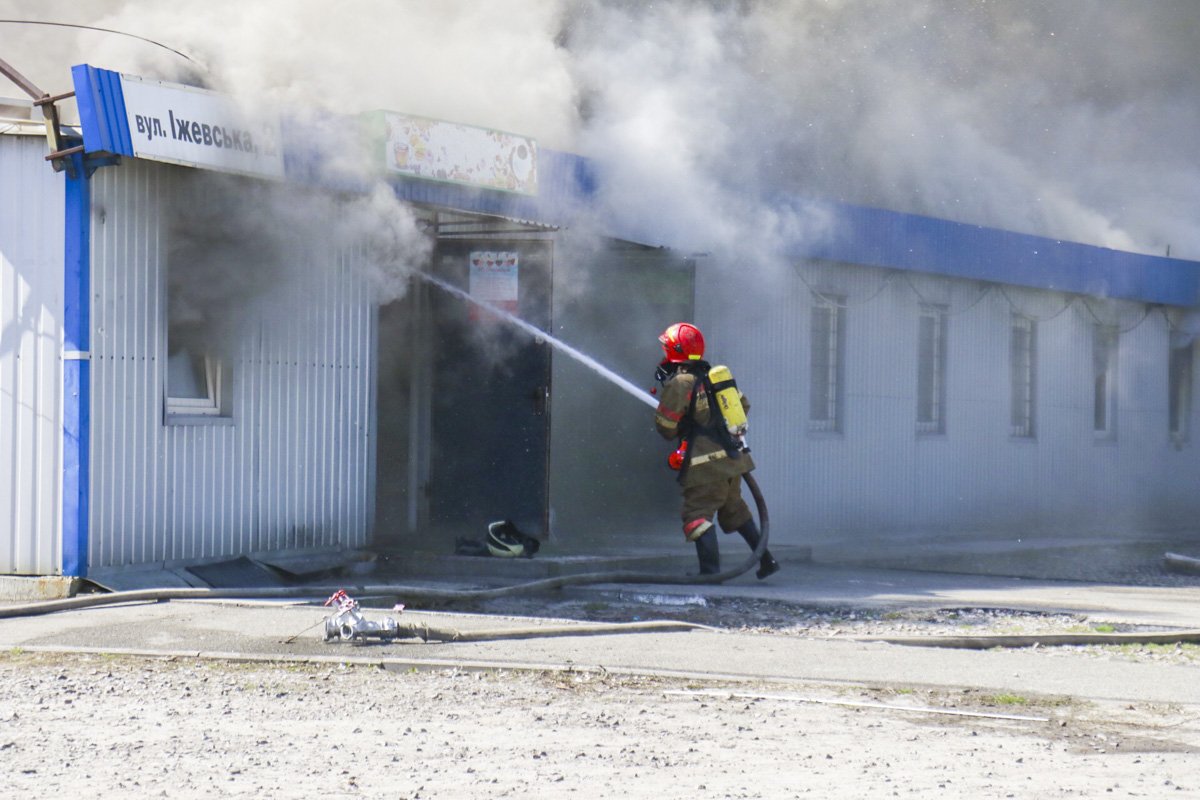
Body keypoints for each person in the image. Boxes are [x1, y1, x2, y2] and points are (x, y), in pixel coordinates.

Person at [653, 322, 780, 579]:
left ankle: (710, 572)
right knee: (734, 510)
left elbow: (666, 427)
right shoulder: (714, 378)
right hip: (734, 461)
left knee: (696, 514)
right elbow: (742, 405)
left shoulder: (681, 383)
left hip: (705, 465)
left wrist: (681, 423)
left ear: (675, 350)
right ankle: (766, 560)